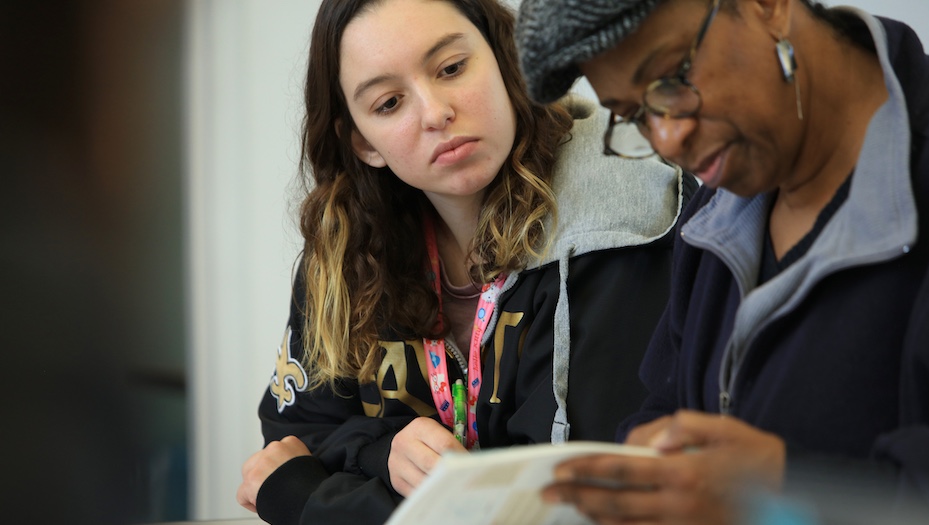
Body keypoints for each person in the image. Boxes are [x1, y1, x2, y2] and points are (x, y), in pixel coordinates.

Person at [515, 0, 929, 523]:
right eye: (634, 116)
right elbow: (667, 402)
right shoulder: (714, 211)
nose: (669, 138)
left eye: (672, 79)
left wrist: (787, 487)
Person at [235, 0, 694, 523]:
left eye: (451, 68)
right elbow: (293, 437)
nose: (435, 113)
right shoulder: (350, 245)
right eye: (389, 103)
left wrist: (306, 500)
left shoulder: (615, 217)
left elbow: (551, 509)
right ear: (363, 141)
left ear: (506, 58)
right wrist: (379, 452)